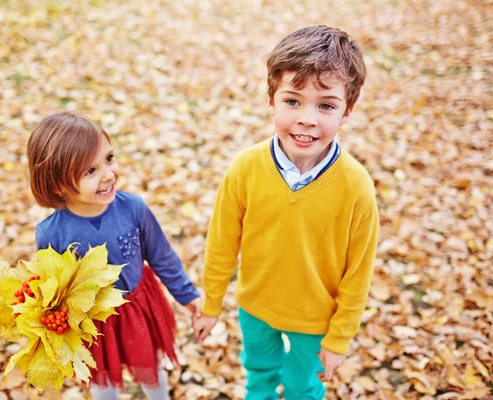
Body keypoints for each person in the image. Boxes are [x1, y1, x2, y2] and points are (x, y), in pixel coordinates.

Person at [193, 26, 379, 399]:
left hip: (316, 318)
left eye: (325, 105)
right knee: (259, 376)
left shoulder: (356, 186)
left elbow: (358, 271)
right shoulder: (246, 168)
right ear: (272, 100)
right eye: (293, 101)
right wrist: (211, 303)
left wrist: (340, 337)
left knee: (302, 387)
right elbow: (222, 243)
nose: (307, 118)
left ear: (347, 111)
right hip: (256, 307)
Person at [27, 111, 200, 399]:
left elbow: (162, 256)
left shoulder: (133, 208)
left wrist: (188, 295)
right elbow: (52, 291)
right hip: (94, 323)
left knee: (150, 369)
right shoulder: (51, 233)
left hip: (137, 309)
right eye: (90, 171)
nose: (108, 174)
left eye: (108, 159)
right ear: (58, 183)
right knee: (102, 380)